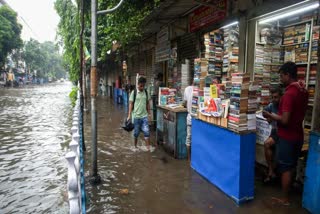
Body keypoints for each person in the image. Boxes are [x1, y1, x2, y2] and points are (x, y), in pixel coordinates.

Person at [263, 61, 308, 205]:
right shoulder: (303, 90)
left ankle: (285, 199)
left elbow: (284, 120)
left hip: (287, 136)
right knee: (292, 165)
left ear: (288, 75)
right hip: (298, 134)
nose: (281, 79)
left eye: (282, 76)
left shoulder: (289, 93)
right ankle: (287, 193)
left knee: (286, 168)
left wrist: (269, 115)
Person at [127, 76, 152, 151]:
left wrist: (149, 114)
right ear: (138, 84)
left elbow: (148, 104)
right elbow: (131, 104)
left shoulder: (146, 92)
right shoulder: (133, 92)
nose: (142, 87)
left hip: (144, 116)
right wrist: (129, 115)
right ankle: (135, 147)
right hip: (136, 116)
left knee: (147, 132)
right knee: (136, 133)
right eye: (141, 86)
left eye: (143, 86)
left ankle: (148, 148)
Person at [262, 87, 282, 183]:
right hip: (275, 131)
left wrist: (270, 116)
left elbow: (283, 119)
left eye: (276, 97)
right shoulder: (272, 105)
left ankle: (271, 172)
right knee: (267, 145)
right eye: (273, 97)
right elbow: (264, 112)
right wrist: (268, 116)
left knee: (276, 153)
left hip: (283, 132)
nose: (274, 99)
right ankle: (271, 171)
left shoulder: (284, 106)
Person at [183, 82, 193, 160]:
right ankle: (190, 159)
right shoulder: (189, 89)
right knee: (190, 138)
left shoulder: (187, 89)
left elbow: (185, 103)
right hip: (193, 118)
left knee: (189, 138)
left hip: (190, 117)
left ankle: (189, 159)